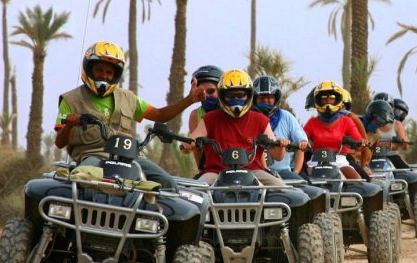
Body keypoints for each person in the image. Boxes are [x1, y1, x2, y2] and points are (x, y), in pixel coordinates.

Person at [54, 41, 203, 189]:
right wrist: (70, 125)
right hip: (93, 155)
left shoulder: (128, 98)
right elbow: (59, 143)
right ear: (89, 69)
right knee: (82, 178)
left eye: (109, 73)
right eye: (99, 70)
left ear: (115, 75)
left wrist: (190, 99)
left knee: (167, 183)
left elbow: (160, 115)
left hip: (130, 156)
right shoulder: (70, 100)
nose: (104, 76)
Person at [182, 69, 287, 186]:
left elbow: (277, 155)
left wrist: (280, 145)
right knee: (196, 191)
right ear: (222, 96)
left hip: (254, 171)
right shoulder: (209, 118)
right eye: (230, 95)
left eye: (240, 95)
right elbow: (191, 140)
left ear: (249, 95)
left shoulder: (260, 119)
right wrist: (188, 144)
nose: (236, 99)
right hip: (215, 172)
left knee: (283, 189)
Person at [252, 75, 309, 181]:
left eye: (269, 97)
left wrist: (296, 172)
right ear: (255, 99)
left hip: (282, 172)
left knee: (303, 186)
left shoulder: (286, 116)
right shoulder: (249, 118)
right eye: (261, 98)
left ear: (276, 98)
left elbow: (301, 142)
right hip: (254, 171)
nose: (265, 101)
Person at [303, 81, 364, 180]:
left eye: (331, 97)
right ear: (318, 100)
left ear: (338, 99)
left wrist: (359, 143)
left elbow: (359, 142)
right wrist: (303, 143)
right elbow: (301, 138)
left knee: (357, 180)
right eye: (324, 98)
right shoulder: (312, 122)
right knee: (306, 180)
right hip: (315, 161)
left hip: (340, 160)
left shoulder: (347, 121)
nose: (328, 100)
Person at [186, 65, 224, 169]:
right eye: (201, 92)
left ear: (221, 91)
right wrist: (202, 171)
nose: (206, 95)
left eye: (211, 91)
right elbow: (197, 150)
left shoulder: (230, 112)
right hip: (212, 169)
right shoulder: (195, 115)